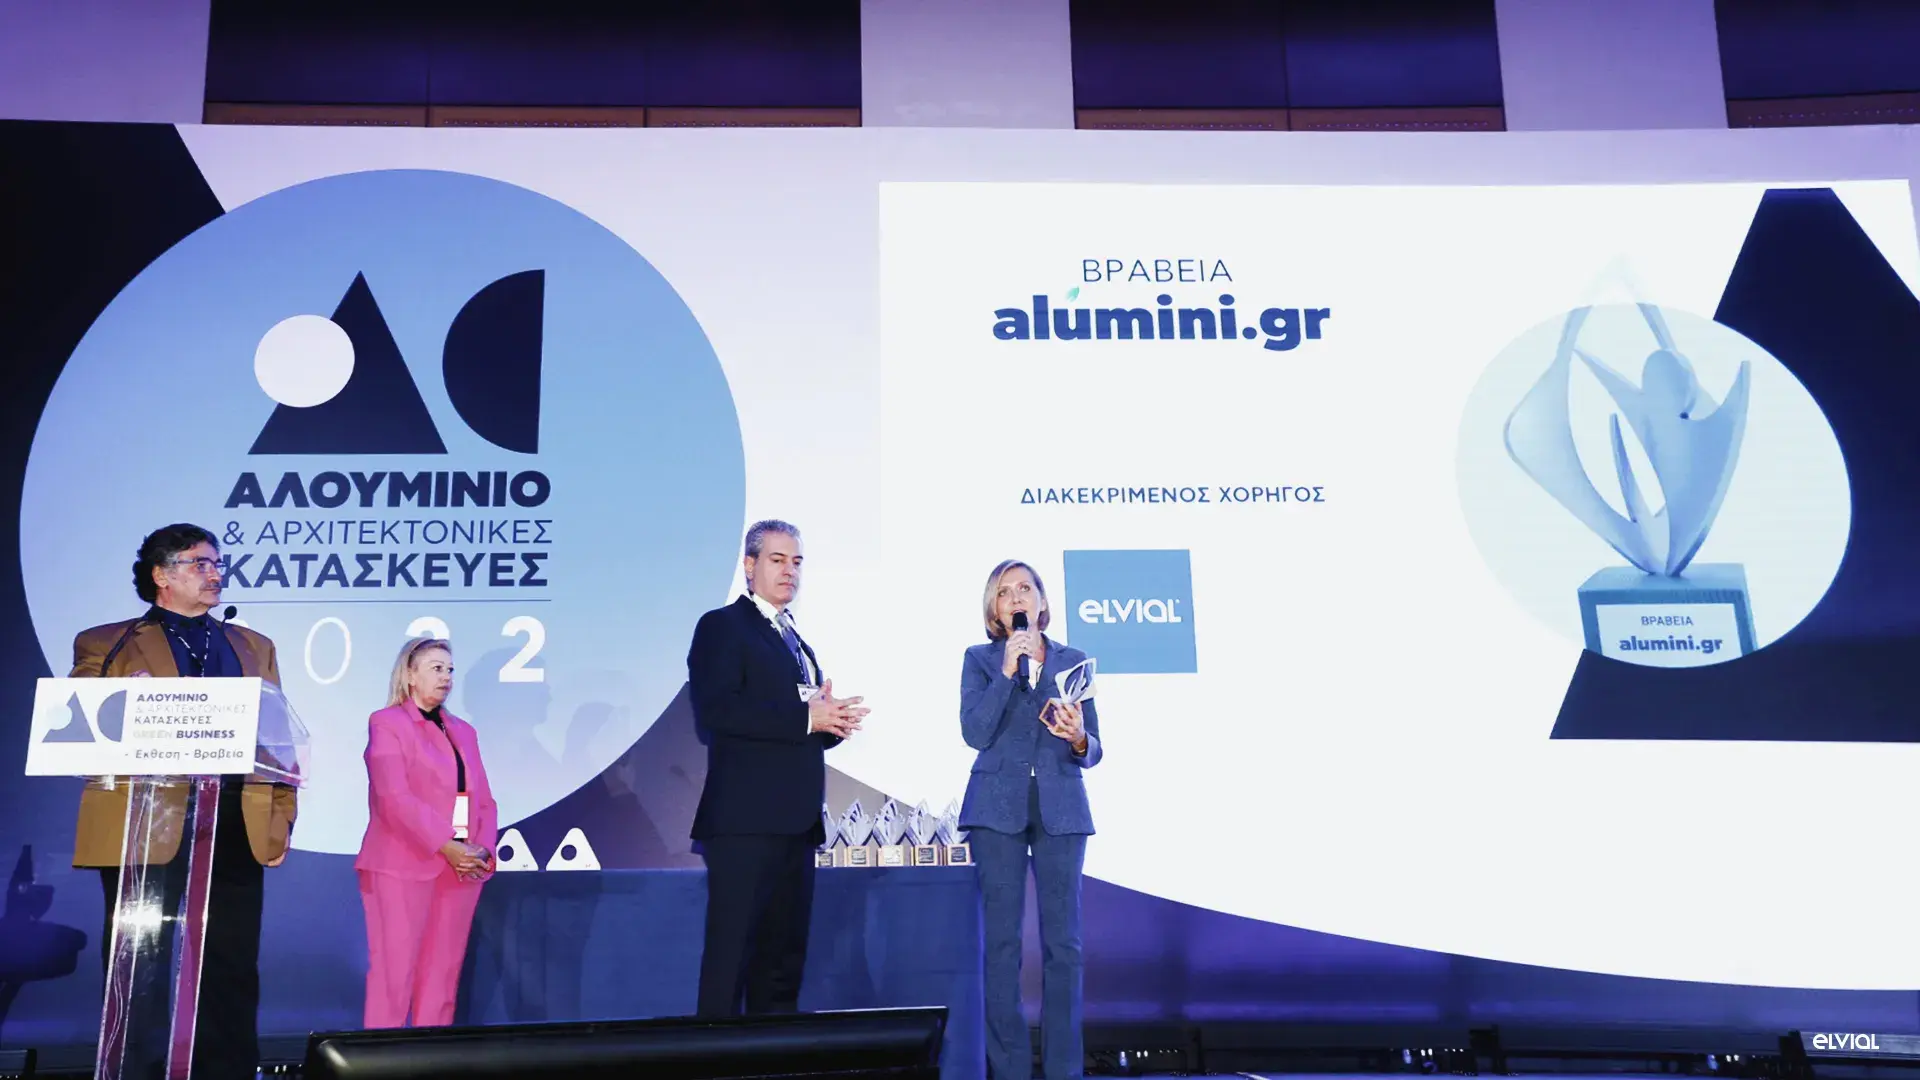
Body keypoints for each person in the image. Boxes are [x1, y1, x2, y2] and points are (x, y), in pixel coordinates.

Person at [71, 523, 298, 1080]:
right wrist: (126, 702)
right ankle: (134, 1071)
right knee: (138, 961)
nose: (215, 573)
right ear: (162, 575)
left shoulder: (254, 646)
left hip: (235, 819)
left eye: (218, 563)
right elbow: (79, 725)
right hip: (145, 819)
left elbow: (279, 741)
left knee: (232, 962)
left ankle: (228, 1070)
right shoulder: (107, 643)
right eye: (200, 563)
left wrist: (282, 819)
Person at [687, 519, 868, 1016]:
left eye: (797, 562)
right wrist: (807, 717)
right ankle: (713, 1057)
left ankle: (775, 1054)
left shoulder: (795, 641)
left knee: (782, 966)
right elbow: (718, 711)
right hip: (745, 824)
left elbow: (790, 724)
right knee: (731, 963)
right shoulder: (722, 626)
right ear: (749, 566)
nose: (790, 571)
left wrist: (829, 724)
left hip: (796, 825)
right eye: (777, 559)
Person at [959, 559, 1103, 1080]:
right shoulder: (980, 659)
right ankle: (1010, 1070)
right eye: (1004, 592)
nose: (1016, 597)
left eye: (1025, 588)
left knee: (1064, 946)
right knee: (1001, 946)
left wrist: (1078, 738)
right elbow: (975, 732)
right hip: (996, 809)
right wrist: (1006, 673)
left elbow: (1094, 749)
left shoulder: (1074, 661)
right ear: (995, 609)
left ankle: (1065, 1070)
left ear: (1042, 601)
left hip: (1061, 809)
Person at [355, 636, 497, 1028]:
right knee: (394, 977)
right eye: (436, 668)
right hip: (401, 865)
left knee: (442, 978)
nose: (446, 677)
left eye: (450, 669)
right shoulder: (387, 723)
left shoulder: (464, 731)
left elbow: (484, 800)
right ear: (410, 675)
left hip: (460, 869)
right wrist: (446, 845)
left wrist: (480, 852)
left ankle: (431, 1056)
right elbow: (393, 797)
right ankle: (381, 1058)